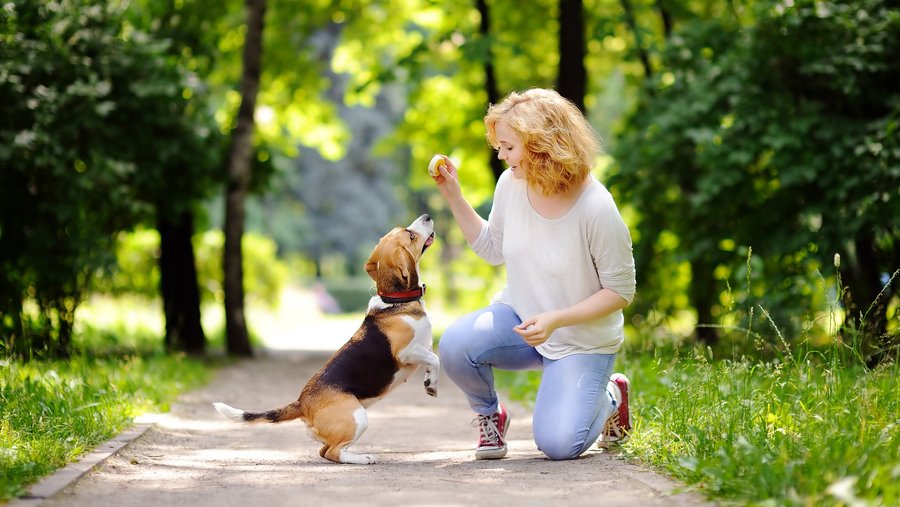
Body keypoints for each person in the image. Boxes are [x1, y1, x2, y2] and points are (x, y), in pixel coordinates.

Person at [429, 88, 636, 460]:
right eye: (499, 146)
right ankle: (490, 417)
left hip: (580, 340)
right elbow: (492, 248)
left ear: (541, 144)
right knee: (456, 345)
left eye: (508, 146)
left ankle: (611, 395)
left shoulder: (597, 207)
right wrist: (454, 197)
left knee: (558, 446)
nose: (500, 155)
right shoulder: (511, 184)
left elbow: (621, 291)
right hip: (522, 322)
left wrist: (557, 320)